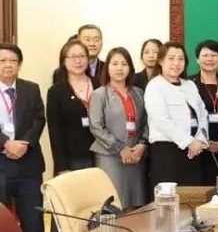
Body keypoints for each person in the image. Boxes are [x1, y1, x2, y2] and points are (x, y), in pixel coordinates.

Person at [89, 48, 149, 209]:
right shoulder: (99, 94)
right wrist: (120, 148)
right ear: (107, 67)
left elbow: (147, 121)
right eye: (114, 64)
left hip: (136, 156)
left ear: (130, 68)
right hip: (110, 156)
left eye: (124, 64)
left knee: (136, 204)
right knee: (114, 204)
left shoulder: (138, 93)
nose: (119, 68)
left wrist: (142, 145)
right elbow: (96, 127)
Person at [144, 42, 209, 187]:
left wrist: (200, 140)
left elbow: (203, 114)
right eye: (171, 58)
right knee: (170, 197)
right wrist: (188, 142)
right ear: (161, 61)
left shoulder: (190, 85)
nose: (176, 63)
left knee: (193, 196)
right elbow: (160, 120)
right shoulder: (155, 86)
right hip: (167, 152)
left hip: (194, 152)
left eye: (181, 59)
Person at [0, 43, 46, 232]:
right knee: (2, 222)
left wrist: (23, 145)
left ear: (19, 65)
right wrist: (5, 144)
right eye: (2, 60)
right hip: (1, 163)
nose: (8, 65)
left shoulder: (31, 89)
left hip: (28, 163)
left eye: (13, 61)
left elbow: (39, 119)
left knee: (33, 220)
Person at [47, 40, 97, 175]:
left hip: (101, 155)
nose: (78, 61)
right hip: (72, 159)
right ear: (64, 61)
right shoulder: (56, 91)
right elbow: (55, 131)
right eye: (73, 57)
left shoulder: (99, 84)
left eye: (82, 56)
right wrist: (61, 166)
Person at [190, 40, 218, 185]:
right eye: (205, 55)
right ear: (197, 59)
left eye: (214, 55)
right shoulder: (189, 84)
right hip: (198, 146)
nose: (209, 59)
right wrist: (204, 143)